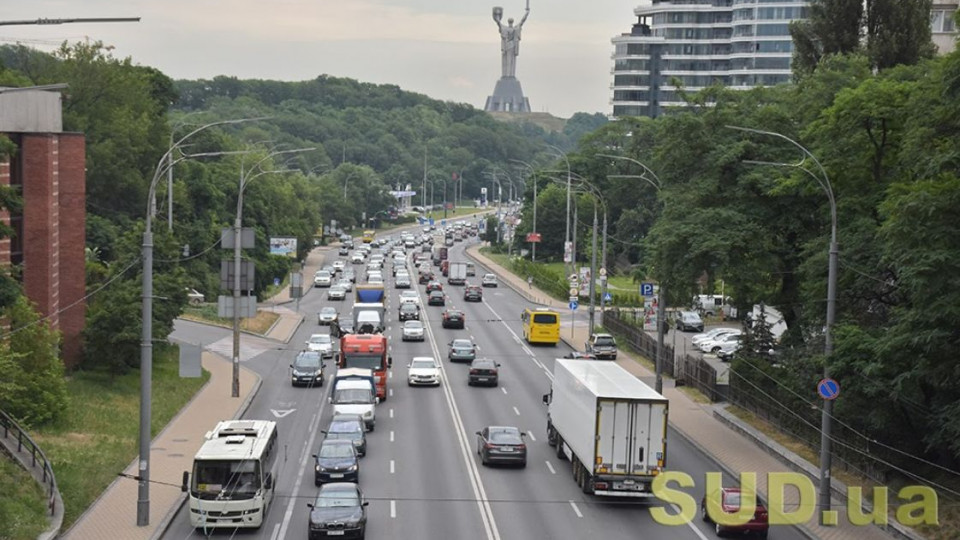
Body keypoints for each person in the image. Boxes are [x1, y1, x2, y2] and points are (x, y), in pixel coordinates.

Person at [492, 3, 530, 78]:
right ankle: (509, 75)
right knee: (511, 61)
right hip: (511, 46)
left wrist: (496, 16)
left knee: (507, 61)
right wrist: (527, 12)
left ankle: (508, 75)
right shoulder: (515, 28)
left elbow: (498, 23)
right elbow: (522, 21)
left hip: (508, 46)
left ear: (508, 22)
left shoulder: (505, 28)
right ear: (512, 22)